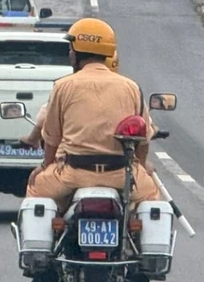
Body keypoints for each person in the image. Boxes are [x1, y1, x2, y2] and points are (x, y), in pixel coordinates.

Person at [25, 18, 159, 213]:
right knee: (151, 198)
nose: (69, 52)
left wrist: (45, 166)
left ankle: (40, 243)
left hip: (73, 174)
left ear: (78, 50)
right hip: (121, 174)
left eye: (71, 47)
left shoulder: (63, 86)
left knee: (35, 190)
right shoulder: (131, 87)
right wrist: (141, 165)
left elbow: (52, 138)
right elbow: (143, 139)